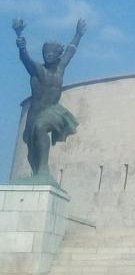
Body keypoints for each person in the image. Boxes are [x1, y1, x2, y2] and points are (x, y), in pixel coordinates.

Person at [12, 17, 85, 179]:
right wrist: (21, 46)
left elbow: (70, 51)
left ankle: (43, 169)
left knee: (41, 126)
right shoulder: (38, 69)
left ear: (58, 55)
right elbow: (26, 60)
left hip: (53, 111)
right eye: (46, 52)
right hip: (35, 112)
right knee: (32, 151)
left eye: (52, 53)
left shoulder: (60, 68)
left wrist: (78, 34)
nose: (48, 55)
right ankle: (38, 172)